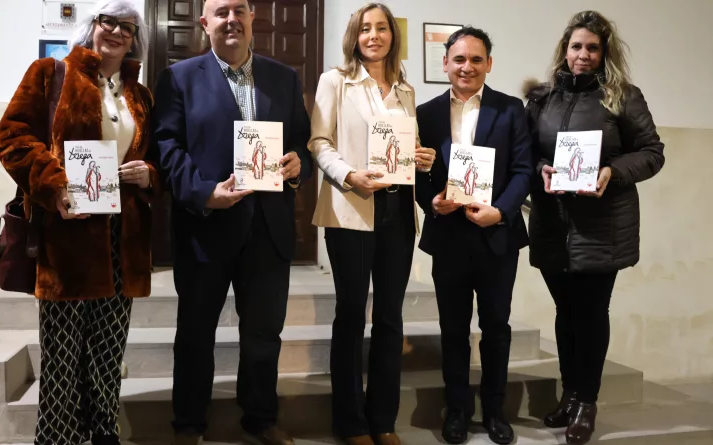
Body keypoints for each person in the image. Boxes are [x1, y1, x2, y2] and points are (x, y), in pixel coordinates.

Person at [0, 1, 157, 444]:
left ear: (135, 40)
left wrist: (149, 174)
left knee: (108, 348)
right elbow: (11, 137)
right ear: (93, 25)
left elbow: (155, 157)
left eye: (128, 27)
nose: (117, 32)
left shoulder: (140, 96)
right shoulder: (51, 74)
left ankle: (103, 430)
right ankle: (57, 436)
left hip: (123, 238)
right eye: (110, 22)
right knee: (63, 351)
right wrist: (55, 186)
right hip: (67, 234)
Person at [151, 0, 312, 444]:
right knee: (195, 332)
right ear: (205, 23)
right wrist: (204, 193)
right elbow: (167, 148)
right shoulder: (179, 78)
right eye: (221, 12)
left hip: (268, 227)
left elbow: (302, 142)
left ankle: (260, 417)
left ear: (251, 18)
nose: (231, 20)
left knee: (264, 333)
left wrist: (299, 164)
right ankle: (188, 423)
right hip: (205, 227)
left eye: (239, 10)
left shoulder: (284, 77)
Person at [524, 10, 665, 445]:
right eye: (576, 46)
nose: (583, 55)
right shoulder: (542, 98)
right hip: (553, 225)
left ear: (604, 53)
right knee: (565, 314)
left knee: (590, 314)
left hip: (602, 228)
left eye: (592, 48)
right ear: (564, 50)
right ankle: (569, 395)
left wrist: (612, 172)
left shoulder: (623, 96)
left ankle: (587, 401)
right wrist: (542, 169)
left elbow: (652, 152)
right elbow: (525, 154)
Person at [308, 4, 436, 445]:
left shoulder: (405, 89)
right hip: (352, 207)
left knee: (390, 318)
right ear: (355, 36)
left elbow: (408, 148)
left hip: (398, 211)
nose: (374, 35)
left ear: (392, 36)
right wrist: (349, 175)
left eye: (382, 28)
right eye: (366, 28)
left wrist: (423, 157)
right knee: (350, 314)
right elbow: (319, 142)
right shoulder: (335, 81)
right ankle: (350, 422)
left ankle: (383, 420)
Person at [415, 26, 532, 445]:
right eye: (459, 59)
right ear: (445, 63)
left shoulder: (510, 109)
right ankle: (458, 410)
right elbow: (417, 172)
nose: (467, 67)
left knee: (496, 327)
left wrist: (500, 211)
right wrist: (432, 202)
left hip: (496, 235)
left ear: (489, 64)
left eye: (476, 59)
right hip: (448, 236)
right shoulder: (425, 113)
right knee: (453, 329)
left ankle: (496, 411)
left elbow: (524, 170)